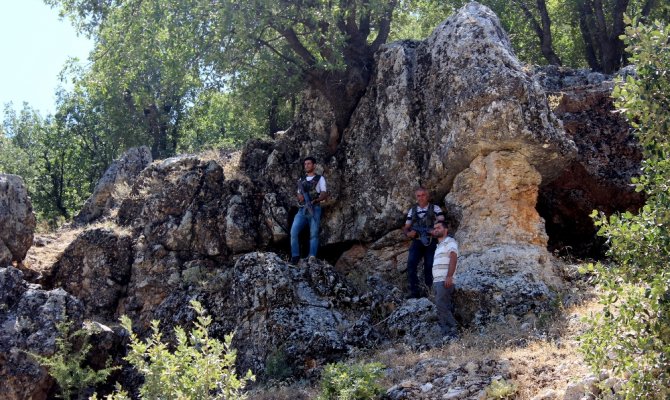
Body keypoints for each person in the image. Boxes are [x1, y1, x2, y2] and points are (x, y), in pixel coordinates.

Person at [402, 187, 444, 298]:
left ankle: (429, 292)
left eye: (423, 195)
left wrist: (434, 230)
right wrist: (408, 233)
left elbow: (442, 223)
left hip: (431, 241)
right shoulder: (412, 210)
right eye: (418, 196)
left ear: (428, 196)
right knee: (411, 264)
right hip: (417, 241)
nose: (421, 198)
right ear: (416, 197)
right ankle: (414, 293)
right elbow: (406, 227)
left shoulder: (435, 208)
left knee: (429, 266)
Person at [290, 156, 328, 264]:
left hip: (314, 208)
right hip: (302, 210)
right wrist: (300, 197)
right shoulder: (301, 180)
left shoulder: (320, 178)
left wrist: (315, 200)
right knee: (294, 232)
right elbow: (298, 192)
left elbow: (324, 193)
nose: (306, 166)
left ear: (314, 165)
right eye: (305, 164)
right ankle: (295, 256)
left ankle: (312, 257)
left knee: (314, 234)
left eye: (309, 164)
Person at [431, 220, 459, 340]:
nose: (436, 230)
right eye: (435, 228)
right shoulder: (438, 246)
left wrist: (449, 276)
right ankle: (447, 334)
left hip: (444, 280)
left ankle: (452, 332)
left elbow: (453, 258)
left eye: (438, 228)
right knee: (442, 305)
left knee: (441, 305)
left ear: (445, 230)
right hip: (437, 281)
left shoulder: (450, 242)